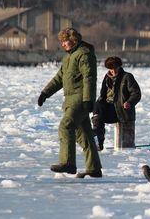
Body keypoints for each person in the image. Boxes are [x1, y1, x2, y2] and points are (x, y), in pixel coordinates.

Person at [37, 28, 102, 178]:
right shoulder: (68, 58)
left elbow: (89, 78)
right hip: (70, 99)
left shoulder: (84, 54)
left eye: (65, 41)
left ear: (73, 40)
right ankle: (94, 169)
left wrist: (88, 100)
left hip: (79, 99)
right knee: (84, 135)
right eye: (61, 42)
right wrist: (45, 93)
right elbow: (59, 78)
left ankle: (68, 163)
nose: (63, 44)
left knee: (65, 126)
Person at [92, 56, 141, 150]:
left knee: (98, 111)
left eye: (115, 69)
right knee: (97, 109)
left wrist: (129, 102)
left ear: (119, 67)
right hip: (108, 109)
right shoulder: (107, 78)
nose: (113, 71)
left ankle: (96, 135)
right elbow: (103, 96)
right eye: (111, 69)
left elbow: (136, 93)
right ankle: (98, 141)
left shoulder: (127, 77)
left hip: (121, 111)